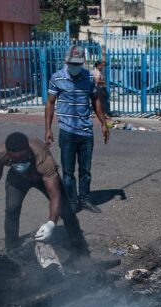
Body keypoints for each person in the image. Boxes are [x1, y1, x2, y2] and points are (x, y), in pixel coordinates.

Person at [0, 132, 90, 257]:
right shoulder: (1, 153)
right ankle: (12, 251)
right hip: (17, 178)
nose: (19, 164)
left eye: (23, 160)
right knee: (12, 210)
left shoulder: (44, 159)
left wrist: (51, 223)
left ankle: (80, 250)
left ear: (29, 152)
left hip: (41, 177)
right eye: (15, 161)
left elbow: (55, 194)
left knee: (66, 211)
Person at [45, 45, 109, 214]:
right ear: (66, 61)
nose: (75, 66)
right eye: (72, 63)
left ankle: (85, 199)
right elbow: (50, 104)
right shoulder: (57, 78)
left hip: (86, 132)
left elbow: (96, 101)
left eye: (78, 63)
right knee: (67, 171)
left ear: (83, 63)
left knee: (85, 170)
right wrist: (48, 129)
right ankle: (72, 201)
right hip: (67, 132)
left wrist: (103, 123)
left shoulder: (88, 77)